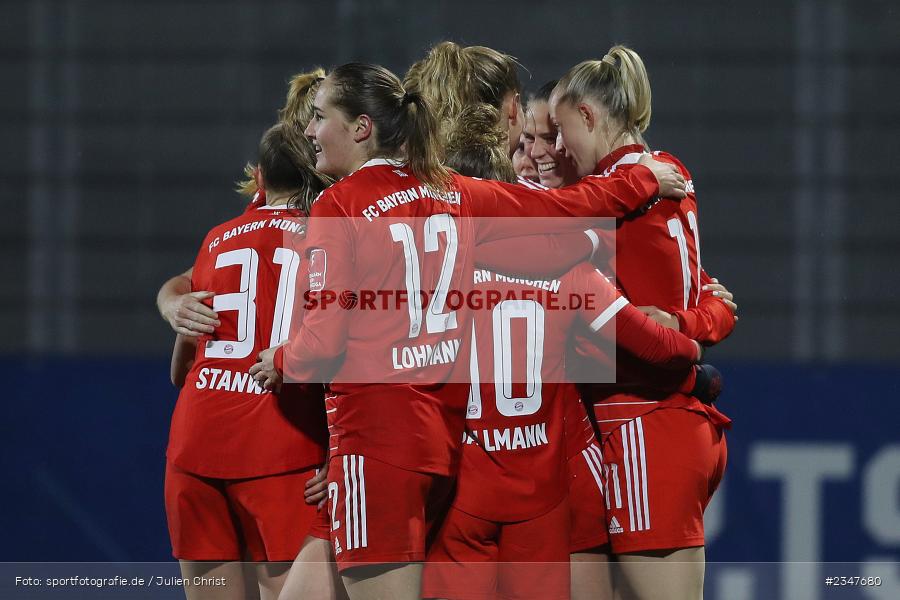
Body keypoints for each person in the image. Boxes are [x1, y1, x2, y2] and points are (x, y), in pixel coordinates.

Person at [248, 61, 690, 600]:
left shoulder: (340, 205)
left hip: (382, 441)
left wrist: (281, 361)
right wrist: (644, 180)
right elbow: (566, 209)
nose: (311, 131)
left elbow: (322, 345)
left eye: (318, 118)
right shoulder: (454, 195)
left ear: (362, 127)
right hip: (445, 452)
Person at [421, 108, 714, 600]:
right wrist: (702, 342)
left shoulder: (432, 280)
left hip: (462, 487)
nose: (536, 156)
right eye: (524, 145)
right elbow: (660, 346)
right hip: (547, 485)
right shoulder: (568, 264)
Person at [550, 46, 736, 600]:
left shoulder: (622, 191)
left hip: (644, 420)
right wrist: (690, 321)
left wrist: (673, 328)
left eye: (562, 131)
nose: (559, 148)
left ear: (588, 116)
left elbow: (551, 216)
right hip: (676, 416)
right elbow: (703, 291)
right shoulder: (670, 171)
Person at [166, 120, 331, 600]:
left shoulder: (217, 238)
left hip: (194, 445)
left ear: (259, 179)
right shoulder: (326, 237)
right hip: (282, 447)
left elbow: (180, 370)